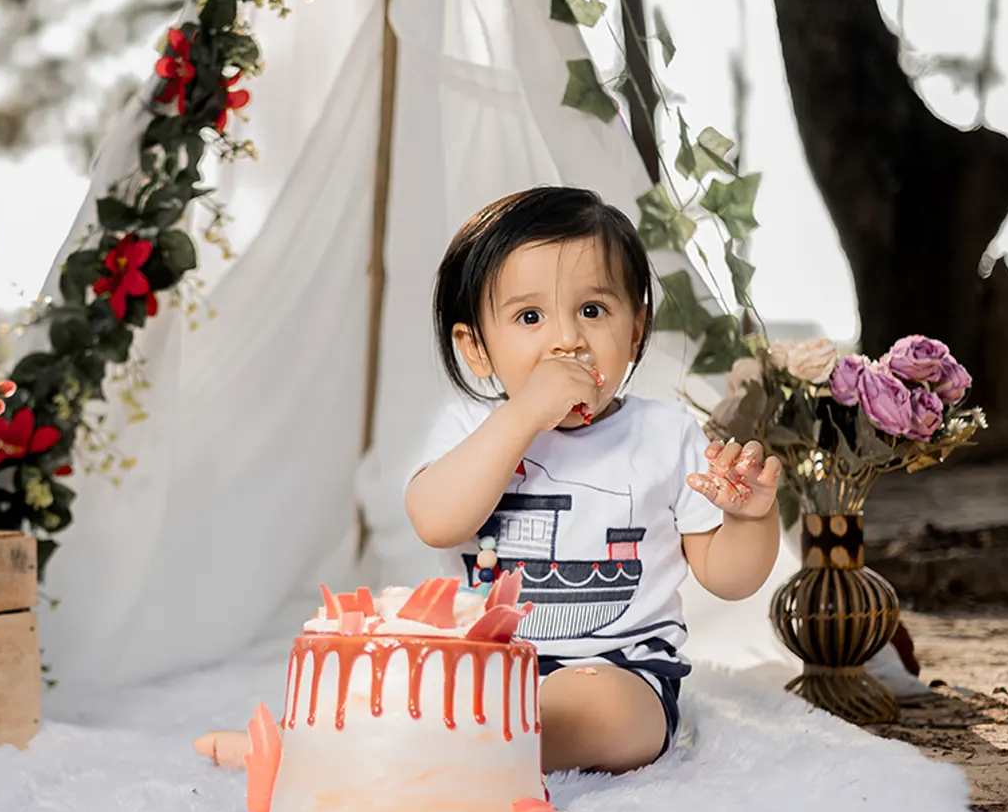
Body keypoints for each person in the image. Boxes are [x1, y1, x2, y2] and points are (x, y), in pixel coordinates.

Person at [194, 186, 782, 775]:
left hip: (618, 668)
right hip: (479, 666)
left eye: (592, 310)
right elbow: (436, 522)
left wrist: (748, 518)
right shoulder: (473, 426)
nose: (567, 339)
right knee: (396, 671)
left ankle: (397, 758)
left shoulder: (667, 433)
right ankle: (332, 744)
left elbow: (728, 578)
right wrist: (524, 414)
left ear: (634, 331)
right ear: (476, 349)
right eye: (530, 317)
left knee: (609, 716)